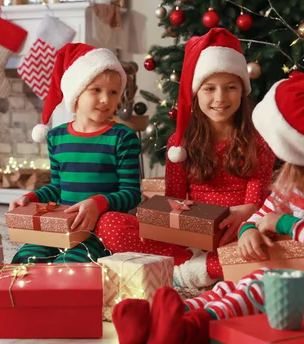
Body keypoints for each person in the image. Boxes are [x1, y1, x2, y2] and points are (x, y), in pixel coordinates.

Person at [112, 72, 304, 344]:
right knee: (232, 285)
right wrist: (248, 229)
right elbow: (263, 212)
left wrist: (286, 224)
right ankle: (163, 320)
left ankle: (189, 330)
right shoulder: (295, 177)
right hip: (299, 269)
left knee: (263, 288)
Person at [95, 28, 275, 289]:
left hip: (239, 232)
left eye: (231, 87)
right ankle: (194, 263)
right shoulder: (179, 145)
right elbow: (174, 202)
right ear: (196, 93)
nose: (220, 98)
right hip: (189, 237)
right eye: (209, 88)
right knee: (110, 224)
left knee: (273, 244)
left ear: (242, 91)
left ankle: (201, 267)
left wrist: (247, 214)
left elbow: (255, 203)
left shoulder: (259, 141)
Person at [8, 43, 142, 264]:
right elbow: (57, 187)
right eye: (96, 90)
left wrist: (98, 203)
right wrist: (30, 198)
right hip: (60, 226)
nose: (105, 99)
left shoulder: (123, 137)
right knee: (24, 260)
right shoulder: (57, 137)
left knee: (71, 266)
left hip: (98, 230)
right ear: (76, 92)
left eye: (113, 92)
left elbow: (131, 193)